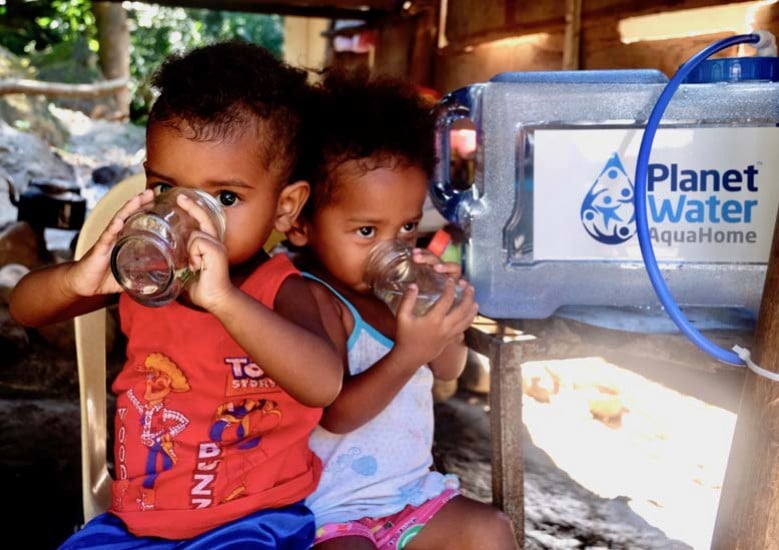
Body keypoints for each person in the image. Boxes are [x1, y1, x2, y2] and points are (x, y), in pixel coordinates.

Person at [9, 41, 342, 549]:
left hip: (250, 524)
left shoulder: (282, 291)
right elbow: (25, 309)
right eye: (167, 186)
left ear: (285, 206)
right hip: (133, 526)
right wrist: (78, 280)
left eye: (225, 198)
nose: (190, 214)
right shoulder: (143, 273)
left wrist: (226, 300)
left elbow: (322, 384)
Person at [286, 71, 519, 550]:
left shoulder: (398, 292)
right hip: (331, 511)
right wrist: (409, 354)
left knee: (492, 530)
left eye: (407, 226)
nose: (390, 248)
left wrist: (448, 320)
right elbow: (337, 414)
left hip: (413, 496)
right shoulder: (307, 297)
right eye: (366, 231)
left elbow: (450, 368)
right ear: (302, 223)